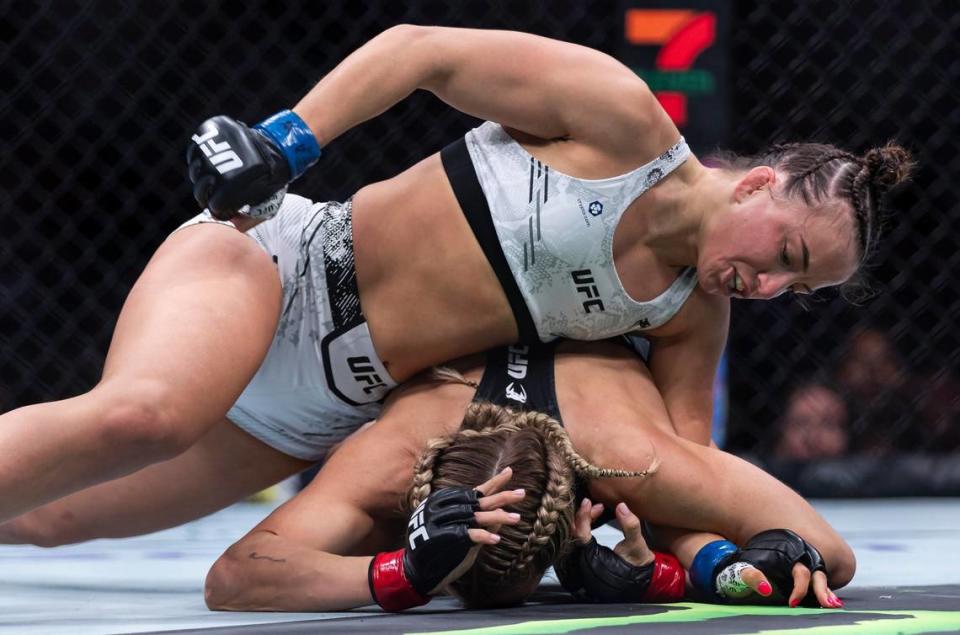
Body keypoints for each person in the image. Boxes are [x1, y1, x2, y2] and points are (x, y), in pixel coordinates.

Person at [0, 25, 910, 523]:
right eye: (786, 256)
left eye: (800, 290)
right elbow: (416, 53)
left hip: (311, 415)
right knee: (143, 415)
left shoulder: (685, 315)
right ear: (755, 183)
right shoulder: (620, 120)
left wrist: (673, 550)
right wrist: (285, 144)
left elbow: (681, 472)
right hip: (278, 265)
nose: (770, 288)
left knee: (39, 518)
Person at [2, 339, 852, 611]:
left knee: (672, 519)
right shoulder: (391, 453)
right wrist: (399, 569)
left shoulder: (630, 454)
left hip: (619, 362)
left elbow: (825, 552)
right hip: (331, 348)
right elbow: (231, 579)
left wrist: (690, 568)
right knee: (47, 511)